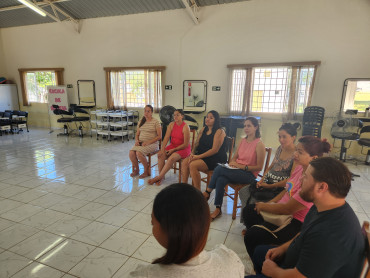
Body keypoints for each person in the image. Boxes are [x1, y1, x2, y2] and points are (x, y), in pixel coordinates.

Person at [247, 157, 364, 278]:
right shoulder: (324, 205)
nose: (300, 179)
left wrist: (274, 272)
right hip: (298, 261)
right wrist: (283, 248)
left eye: (306, 177)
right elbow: (304, 232)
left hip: (298, 273)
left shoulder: (329, 235)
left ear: (322, 187)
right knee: (259, 252)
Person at [242, 136, 331, 259]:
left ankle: (262, 261)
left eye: (300, 152)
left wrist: (265, 206)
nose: (295, 154)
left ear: (314, 158)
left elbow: (287, 209)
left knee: (251, 235)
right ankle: (263, 240)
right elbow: (287, 190)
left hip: (294, 222)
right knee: (249, 211)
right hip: (282, 211)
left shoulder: (312, 182)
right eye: (296, 150)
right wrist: (270, 203)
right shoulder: (300, 167)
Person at [129, 183, 245, 278]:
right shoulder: (230, 261)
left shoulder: (144, 274)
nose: (151, 223)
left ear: (171, 230)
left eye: (153, 222)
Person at [203, 117, 266, 220]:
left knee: (219, 169)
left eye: (249, 126)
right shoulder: (242, 140)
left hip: (249, 175)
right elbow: (234, 157)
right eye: (245, 126)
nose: (246, 128)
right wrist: (232, 163)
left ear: (256, 127)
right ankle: (218, 209)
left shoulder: (259, 144)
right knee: (220, 179)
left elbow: (259, 167)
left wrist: (241, 166)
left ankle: (208, 192)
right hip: (237, 171)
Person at [239, 123, 298, 225]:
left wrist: (271, 185)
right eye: (279, 136)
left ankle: (257, 224)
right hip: (268, 183)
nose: (281, 139)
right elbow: (271, 167)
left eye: (284, 137)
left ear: (293, 137)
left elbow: (291, 180)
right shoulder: (280, 148)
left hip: (279, 188)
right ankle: (247, 221)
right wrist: (262, 180)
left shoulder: (296, 154)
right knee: (244, 191)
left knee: (255, 199)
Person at [181, 110, 227, 190]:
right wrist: (192, 153)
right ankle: (184, 187)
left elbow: (214, 150)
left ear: (216, 120)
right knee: (185, 162)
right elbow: (197, 143)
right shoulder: (203, 129)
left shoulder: (220, 131)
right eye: (207, 117)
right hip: (202, 155)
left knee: (193, 165)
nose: (207, 119)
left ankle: (197, 191)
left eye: (211, 118)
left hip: (216, 158)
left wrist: (198, 157)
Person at [148, 109, 191, 185]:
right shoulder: (171, 125)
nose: (175, 117)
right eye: (174, 115)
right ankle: (162, 177)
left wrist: (173, 150)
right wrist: (162, 149)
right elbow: (166, 138)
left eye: (177, 115)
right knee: (160, 155)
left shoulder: (185, 127)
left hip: (183, 148)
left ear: (182, 116)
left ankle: (159, 177)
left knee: (171, 158)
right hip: (173, 145)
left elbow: (185, 144)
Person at [129, 105, 162, 178]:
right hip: (141, 143)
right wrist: (137, 140)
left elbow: (159, 136)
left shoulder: (156, 122)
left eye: (148, 111)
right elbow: (137, 134)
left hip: (152, 144)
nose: (146, 113)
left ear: (152, 113)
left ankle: (146, 170)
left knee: (138, 153)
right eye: (145, 111)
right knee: (131, 153)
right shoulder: (141, 121)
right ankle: (137, 170)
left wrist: (149, 142)